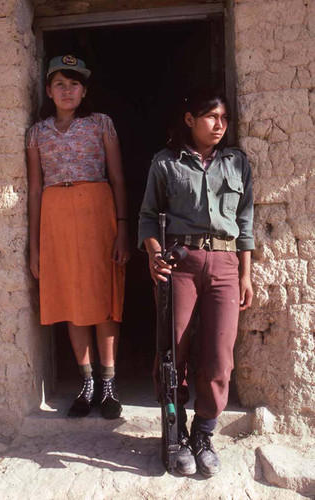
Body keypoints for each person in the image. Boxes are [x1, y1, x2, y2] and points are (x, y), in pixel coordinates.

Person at [138, 88, 254, 476]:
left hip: (224, 264)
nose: (219, 125)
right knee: (174, 350)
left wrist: (245, 273)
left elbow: (245, 225)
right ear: (190, 120)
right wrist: (155, 255)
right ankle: (175, 433)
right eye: (210, 117)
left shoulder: (237, 164)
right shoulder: (166, 163)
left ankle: (204, 432)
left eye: (224, 119)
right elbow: (149, 217)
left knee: (220, 355)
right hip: (180, 263)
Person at [26, 55, 130, 420]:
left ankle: (108, 383)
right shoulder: (37, 132)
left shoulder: (102, 124)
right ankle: (86, 383)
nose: (66, 90)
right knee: (71, 297)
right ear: (49, 91)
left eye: (74, 84)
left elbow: (117, 178)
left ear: (85, 91)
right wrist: (35, 246)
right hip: (55, 214)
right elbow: (36, 189)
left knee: (103, 296)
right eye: (59, 84)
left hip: (97, 212)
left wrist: (122, 229)